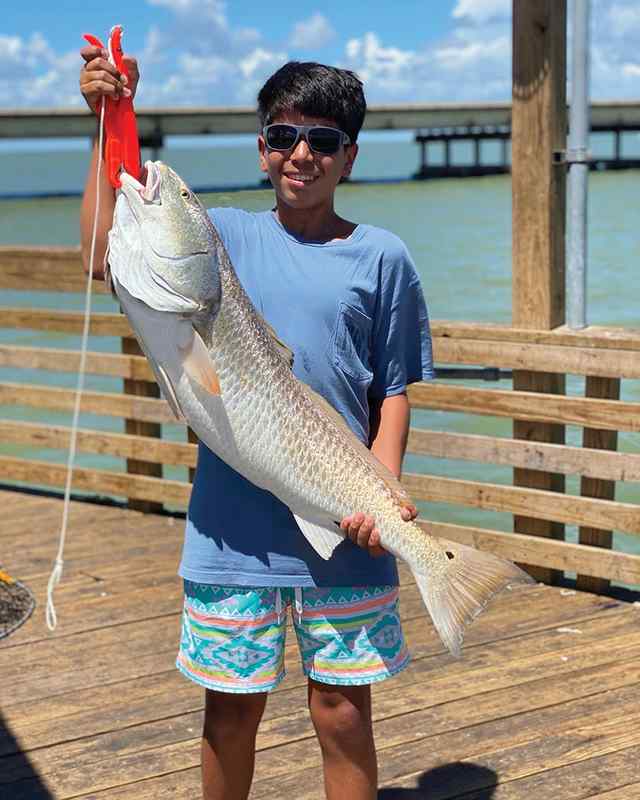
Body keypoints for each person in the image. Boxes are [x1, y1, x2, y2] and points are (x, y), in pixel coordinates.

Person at [79, 45, 434, 800]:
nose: (301, 154)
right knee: (228, 719)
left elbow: (394, 390)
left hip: (348, 521)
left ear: (351, 157)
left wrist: (385, 491)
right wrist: (109, 119)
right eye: (283, 136)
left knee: (341, 713)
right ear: (263, 148)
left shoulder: (384, 258)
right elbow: (106, 245)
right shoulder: (223, 240)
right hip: (228, 535)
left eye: (324, 141)